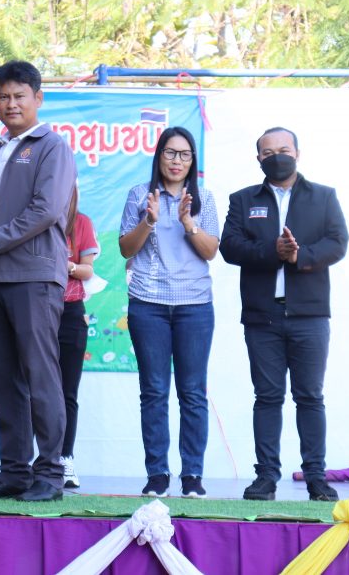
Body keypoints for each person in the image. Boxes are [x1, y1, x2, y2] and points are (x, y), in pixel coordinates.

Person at [0, 60, 77, 502]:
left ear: (37, 98)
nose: (11, 104)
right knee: (3, 378)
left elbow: (44, 212)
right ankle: (14, 472)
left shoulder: (51, 146)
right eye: (3, 96)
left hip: (35, 276)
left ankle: (50, 473)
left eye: (19, 96)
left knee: (41, 376)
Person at [220, 127, 348, 502]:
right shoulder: (244, 200)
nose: (277, 156)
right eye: (268, 152)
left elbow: (338, 242)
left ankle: (316, 477)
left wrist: (299, 256)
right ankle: (266, 477)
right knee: (267, 397)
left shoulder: (323, 196)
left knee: (310, 397)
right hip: (262, 317)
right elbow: (230, 247)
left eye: (284, 149)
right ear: (259, 159)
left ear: (297, 153)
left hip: (310, 315)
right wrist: (272, 251)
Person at [118, 127, 220, 499]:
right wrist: (149, 219)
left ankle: (192, 475)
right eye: (170, 153)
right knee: (154, 392)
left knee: (192, 392)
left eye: (184, 155)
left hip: (194, 305)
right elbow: (126, 249)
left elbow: (210, 251)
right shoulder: (139, 195)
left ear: (193, 161)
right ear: (159, 155)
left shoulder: (204, 198)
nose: (177, 161)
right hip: (148, 304)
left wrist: (188, 222)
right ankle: (157, 474)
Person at [58, 188, 99, 489]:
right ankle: (36, 460)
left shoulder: (81, 222)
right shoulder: (32, 222)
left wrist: (68, 266)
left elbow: (87, 270)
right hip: (36, 311)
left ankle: (65, 458)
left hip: (71, 312)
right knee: (33, 390)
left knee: (67, 391)